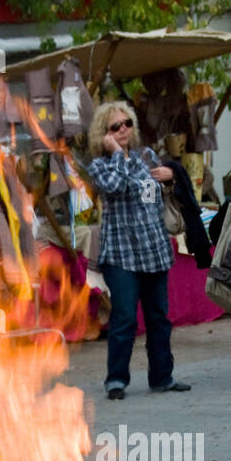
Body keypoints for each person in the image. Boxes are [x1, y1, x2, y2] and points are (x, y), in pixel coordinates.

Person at [87, 101, 189, 401]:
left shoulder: (148, 156)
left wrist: (169, 181)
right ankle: (116, 379)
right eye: (115, 127)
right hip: (120, 253)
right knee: (125, 318)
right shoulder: (99, 164)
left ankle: (162, 376)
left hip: (152, 247)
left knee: (159, 317)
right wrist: (119, 156)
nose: (123, 130)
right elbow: (115, 188)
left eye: (127, 123)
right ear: (103, 134)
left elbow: (152, 198)